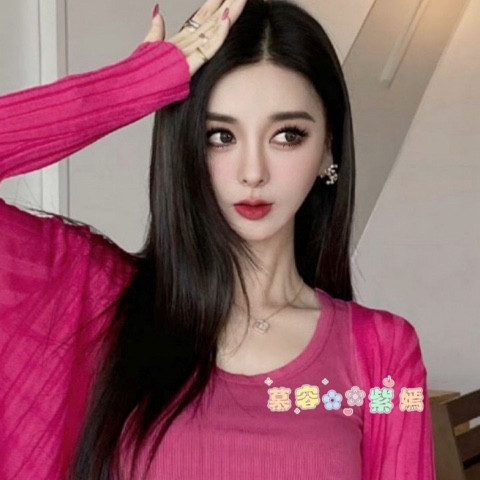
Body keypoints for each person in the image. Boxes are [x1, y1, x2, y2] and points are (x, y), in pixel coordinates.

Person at [0, 0, 436, 478]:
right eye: (220, 136)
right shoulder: (102, 305)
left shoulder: (382, 354)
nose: (253, 172)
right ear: (186, 145)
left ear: (328, 147)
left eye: (287, 135)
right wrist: (136, 85)